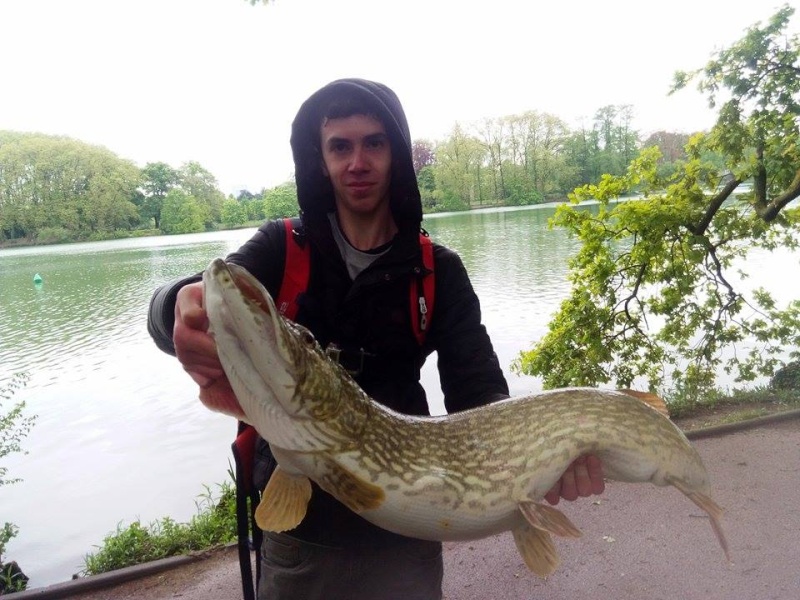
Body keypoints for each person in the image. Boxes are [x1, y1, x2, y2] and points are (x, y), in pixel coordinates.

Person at [147, 78, 604, 600]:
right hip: (301, 545)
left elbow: (481, 399)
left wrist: (541, 461)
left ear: (397, 156)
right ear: (320, 158)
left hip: (406, 543)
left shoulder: (439, 270)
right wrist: (176, 309)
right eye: (340, 146)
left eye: (373, 143)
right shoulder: (282, 247)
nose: (356, 161)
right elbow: (195, 299)